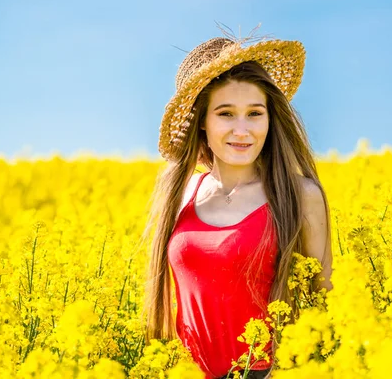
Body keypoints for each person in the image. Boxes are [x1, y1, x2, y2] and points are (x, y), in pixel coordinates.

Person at [142, 32, 333, 379]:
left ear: (270, 120)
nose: (242, 130)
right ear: (203, 120)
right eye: (226, 113)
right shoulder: (182, 192)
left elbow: (323, 303)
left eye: (254, 113)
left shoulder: (299, 195)